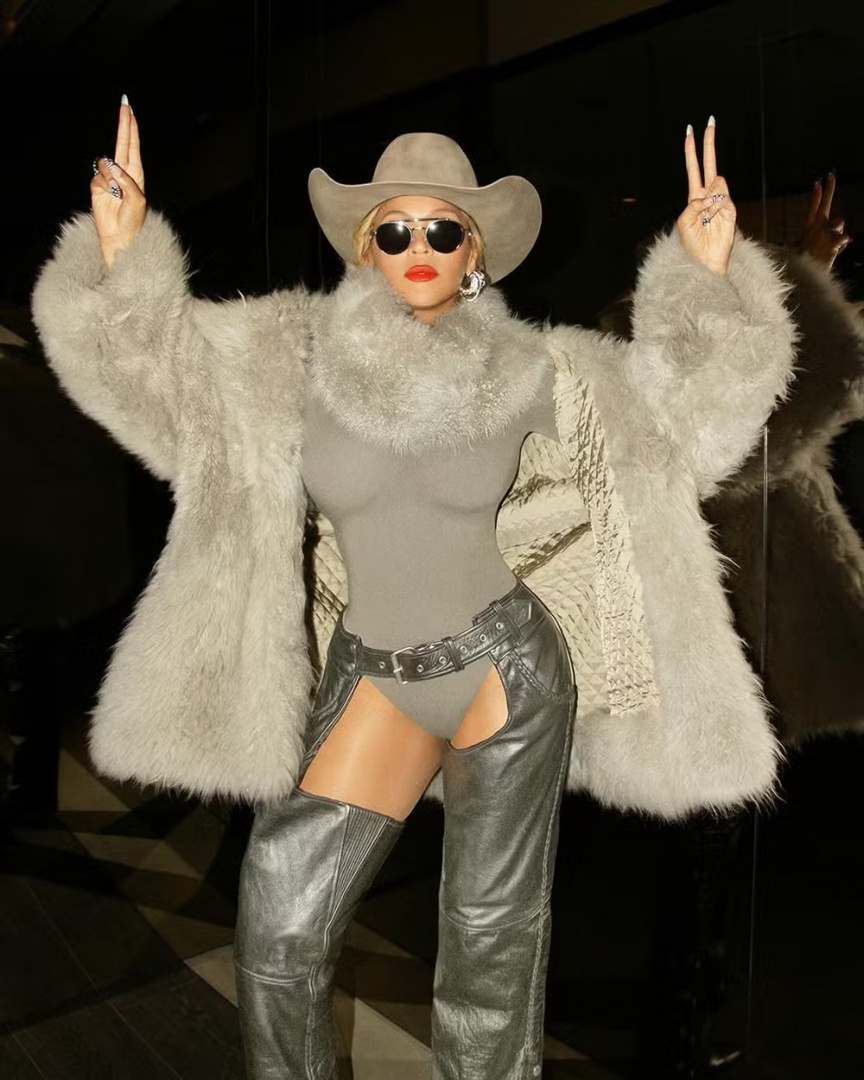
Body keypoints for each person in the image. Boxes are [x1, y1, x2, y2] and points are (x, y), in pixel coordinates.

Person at [31, 100, 797, 1079]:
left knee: (490, 946)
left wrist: (705, 278)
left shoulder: (533, 369)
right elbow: (160, 394)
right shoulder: (286, 360)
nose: (420, 248)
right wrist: (123, 256)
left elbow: (679, 433)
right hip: (373, 674)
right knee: (280, 921)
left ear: (474, 251)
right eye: (395, 231)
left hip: (506, 673)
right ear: (366, 247)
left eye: (445, 230)